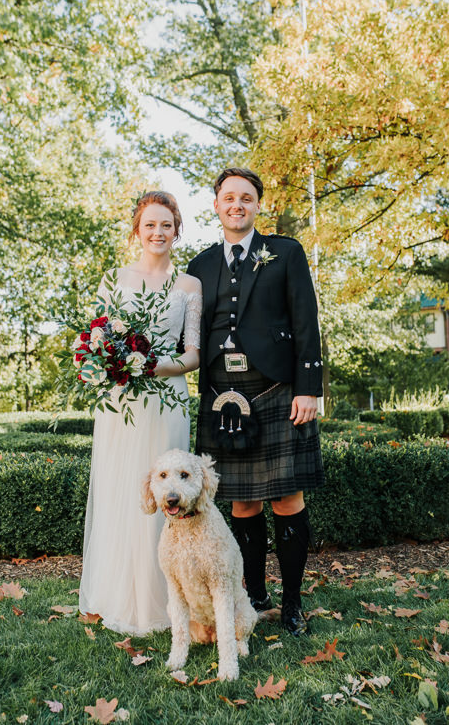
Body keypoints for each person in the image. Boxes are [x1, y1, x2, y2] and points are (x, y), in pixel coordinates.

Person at [187, 168, 324, 636]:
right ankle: (254, 593)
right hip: (223, 397)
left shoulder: (284, 252)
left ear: (258, 205)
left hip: (279, 391)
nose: (237, 205)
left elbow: (306, 320)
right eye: (229, 198)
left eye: (246, 197)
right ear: (217, 205)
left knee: (287, 498)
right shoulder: (199, 266)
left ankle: (290, 603)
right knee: (243, 503)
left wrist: (309, 387)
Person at [79, 191, 202, 636]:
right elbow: (95, 341)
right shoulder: (114, 280)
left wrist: (150, 365)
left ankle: (165, 603)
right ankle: (118, 598)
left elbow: (192, 356)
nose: (158, 233)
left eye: (166, 225)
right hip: (121, 404)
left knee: (167, 495)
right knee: (122, 492)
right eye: (150, 225)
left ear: (176, 230)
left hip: (166, 399)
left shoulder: (189, 287)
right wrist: (108, 362)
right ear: (137, 230)